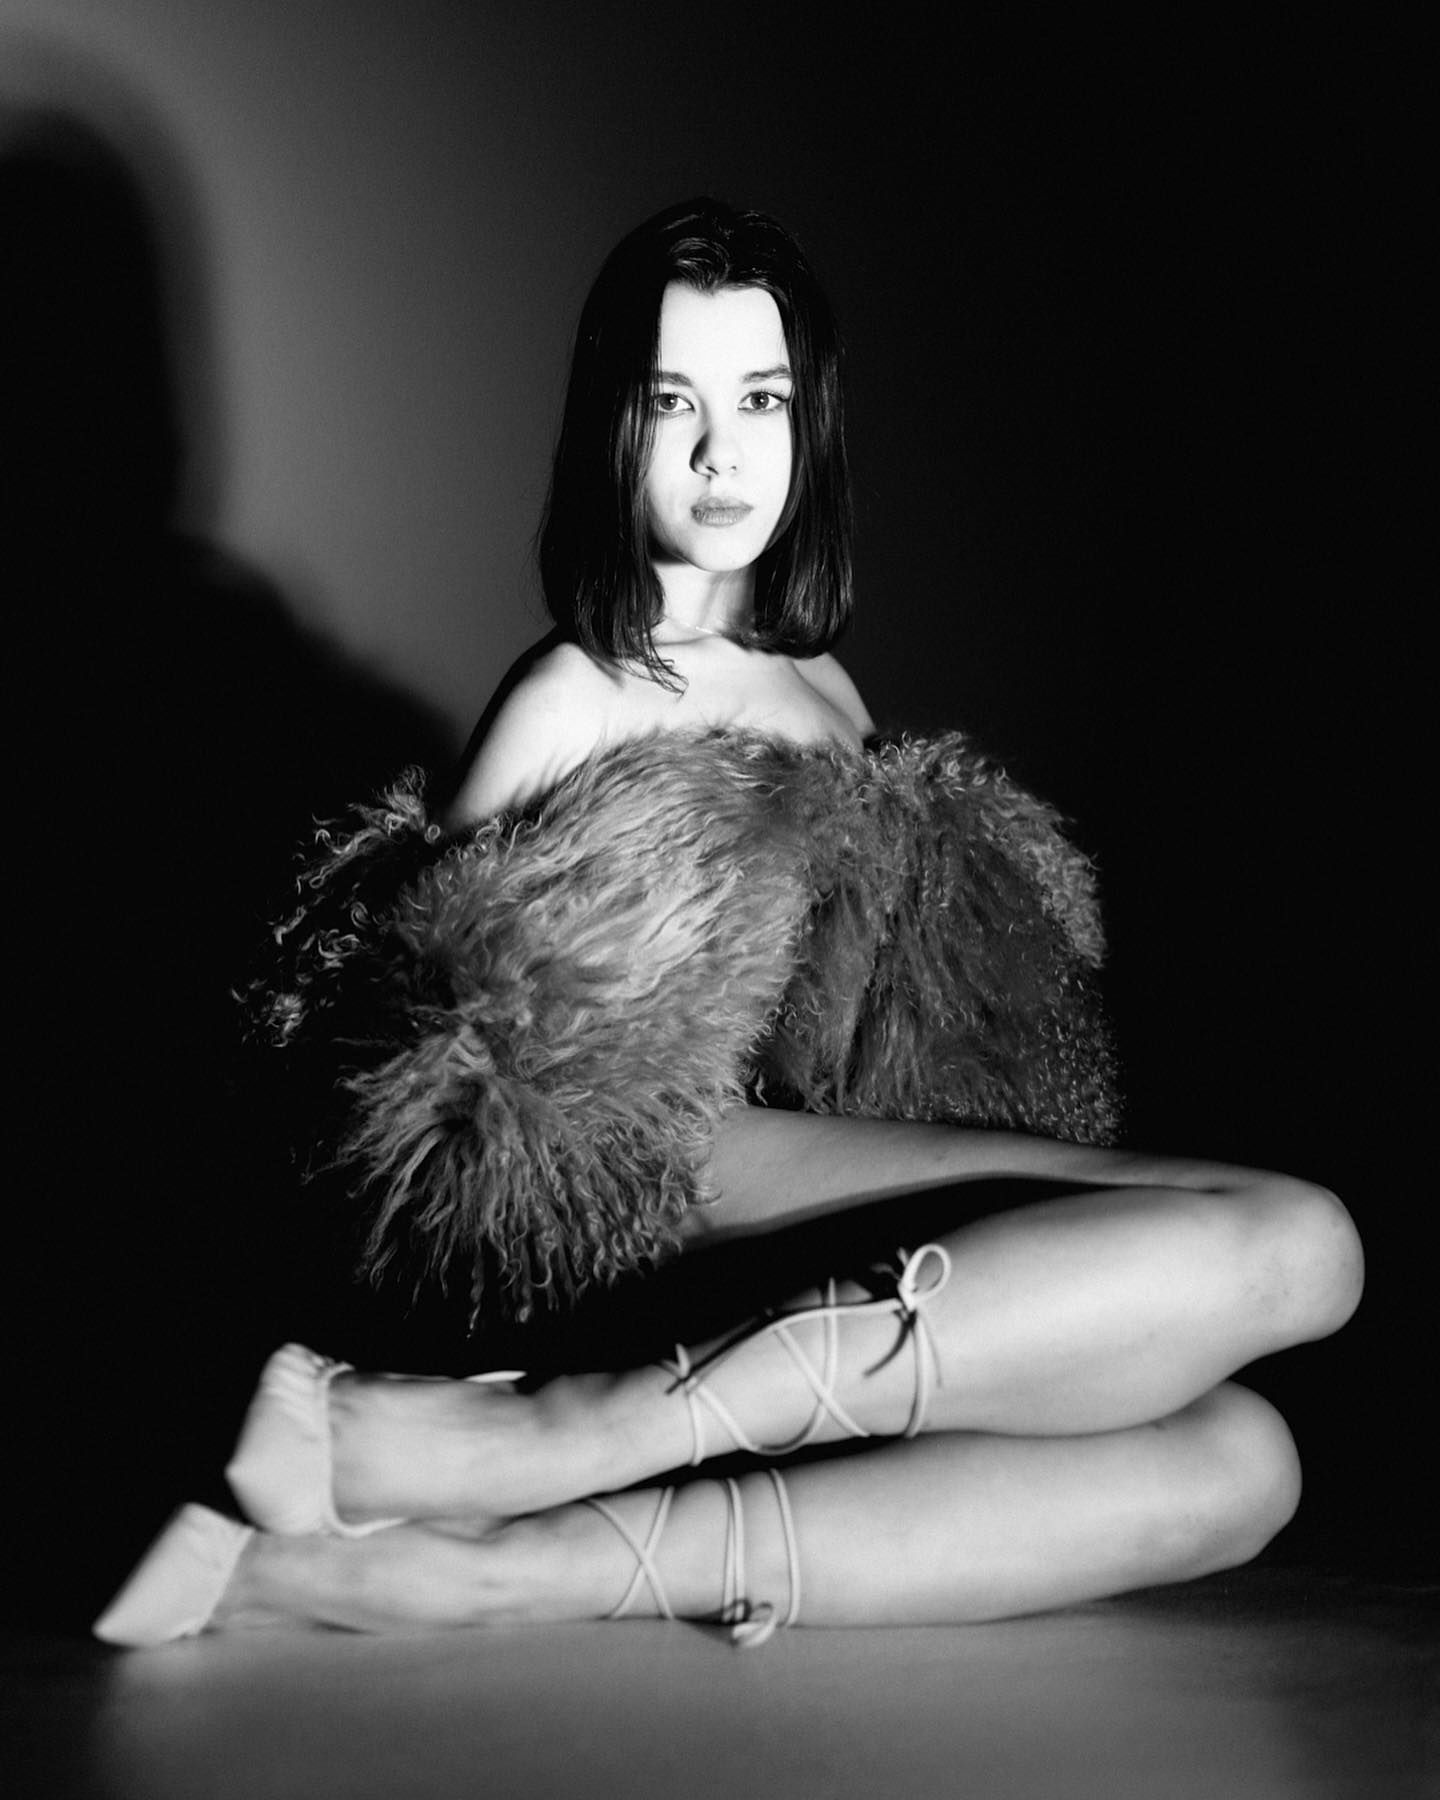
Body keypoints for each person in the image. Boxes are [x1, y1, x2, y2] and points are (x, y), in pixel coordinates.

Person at [93, 199, 1362, 1647]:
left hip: (812, 1245)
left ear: (810, 422)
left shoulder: (827, 692)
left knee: (1246, 1462)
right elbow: (435, 1087)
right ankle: (557, 1429)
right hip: (659, 1212)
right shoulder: (576, 693)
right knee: (1305, 1243)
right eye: (671, 402)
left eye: (760, 400)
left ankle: (493, 1562)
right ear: (611, 427)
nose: (720, 455)